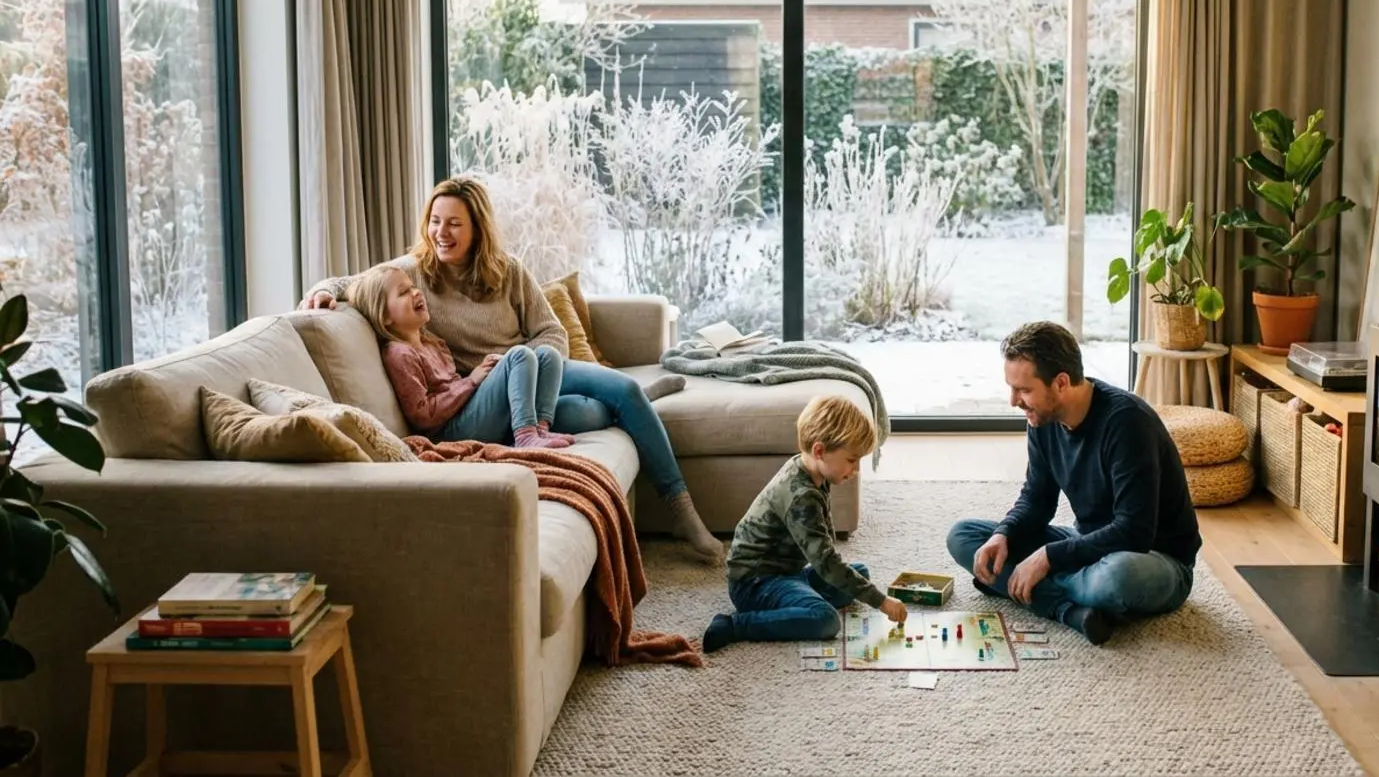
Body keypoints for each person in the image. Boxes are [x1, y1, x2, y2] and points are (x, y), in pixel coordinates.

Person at [300, 177, 722, 564]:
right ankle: (625, 407)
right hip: (483, 393)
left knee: (622, 392)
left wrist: (531, 375)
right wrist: (322, 291)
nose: (440, 233)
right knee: (596, 411)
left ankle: (683, 512)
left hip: (533, 372)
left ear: (477, 228)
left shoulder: (508, 270)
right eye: (435, 221)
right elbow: (356, 282)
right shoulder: (415, 273)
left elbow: (550, 333)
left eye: (454, 224)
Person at [946, 321, 1201, 645]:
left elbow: (1134, 532)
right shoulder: (1042, 418)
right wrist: (1004, 533)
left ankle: (1020, 585)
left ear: (1061, 383)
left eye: (1024, 390)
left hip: (1154, 558)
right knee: (964, 536)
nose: (1014, 401)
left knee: (1113, 579)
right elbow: (1037, 498)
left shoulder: (1127, 423)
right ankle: (1068, 610)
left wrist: (1047, 558)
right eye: (1012, 388)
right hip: (1089, 542)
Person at [701, 395, 907, 653]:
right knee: (826, 619)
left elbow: (823, 553)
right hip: (755, 582)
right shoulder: (802, 496)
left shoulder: (810, 467)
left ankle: (798, 601)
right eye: (852, 460)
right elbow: (826, 561)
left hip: (788, 571)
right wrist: (882, 602)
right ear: (820, 451)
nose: (856, 469)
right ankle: (734, 625)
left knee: (860, 573)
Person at [345, 263, 575, 449]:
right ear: (384, 316)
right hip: (450, 432)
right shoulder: (399, 353)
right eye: (404, 292)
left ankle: (539, 429)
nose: (416, 292)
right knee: (519, 356)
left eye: (413, 286)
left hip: (467, 413)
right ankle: (525, 437)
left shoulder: (432, 343)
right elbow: (423, 414)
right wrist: (472, 381)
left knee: (547, 354)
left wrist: (485, 378)